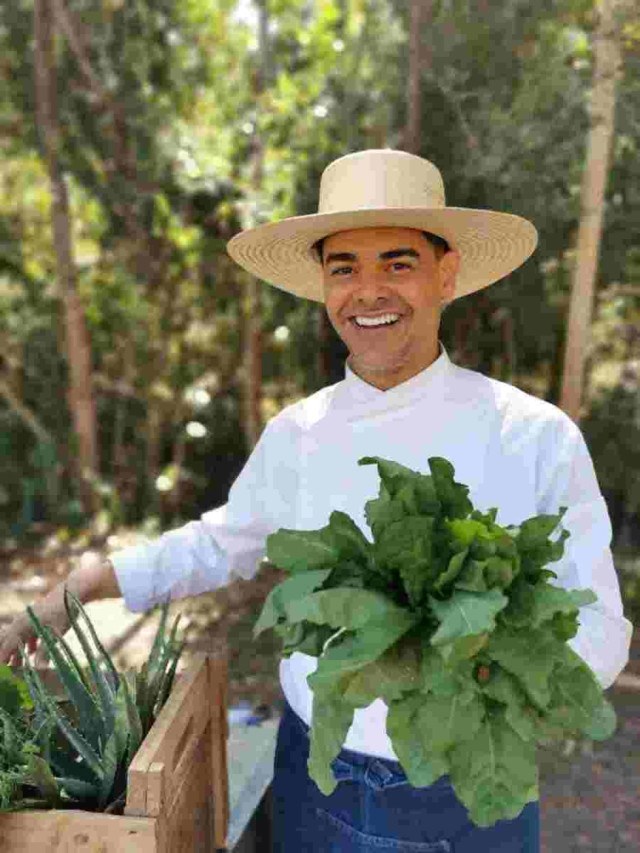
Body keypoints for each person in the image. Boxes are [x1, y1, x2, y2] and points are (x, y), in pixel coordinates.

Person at [0, 149, 632, 852]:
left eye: (398, 263)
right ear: (323, 286)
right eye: (344, 268)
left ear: (446, 273)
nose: (369, 292)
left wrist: (478, 659)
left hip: (462, 797)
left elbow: (600, 633)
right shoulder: (297, 432)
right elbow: (219, 543)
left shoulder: (536, 436)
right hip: (311, 778)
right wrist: (78, 589)